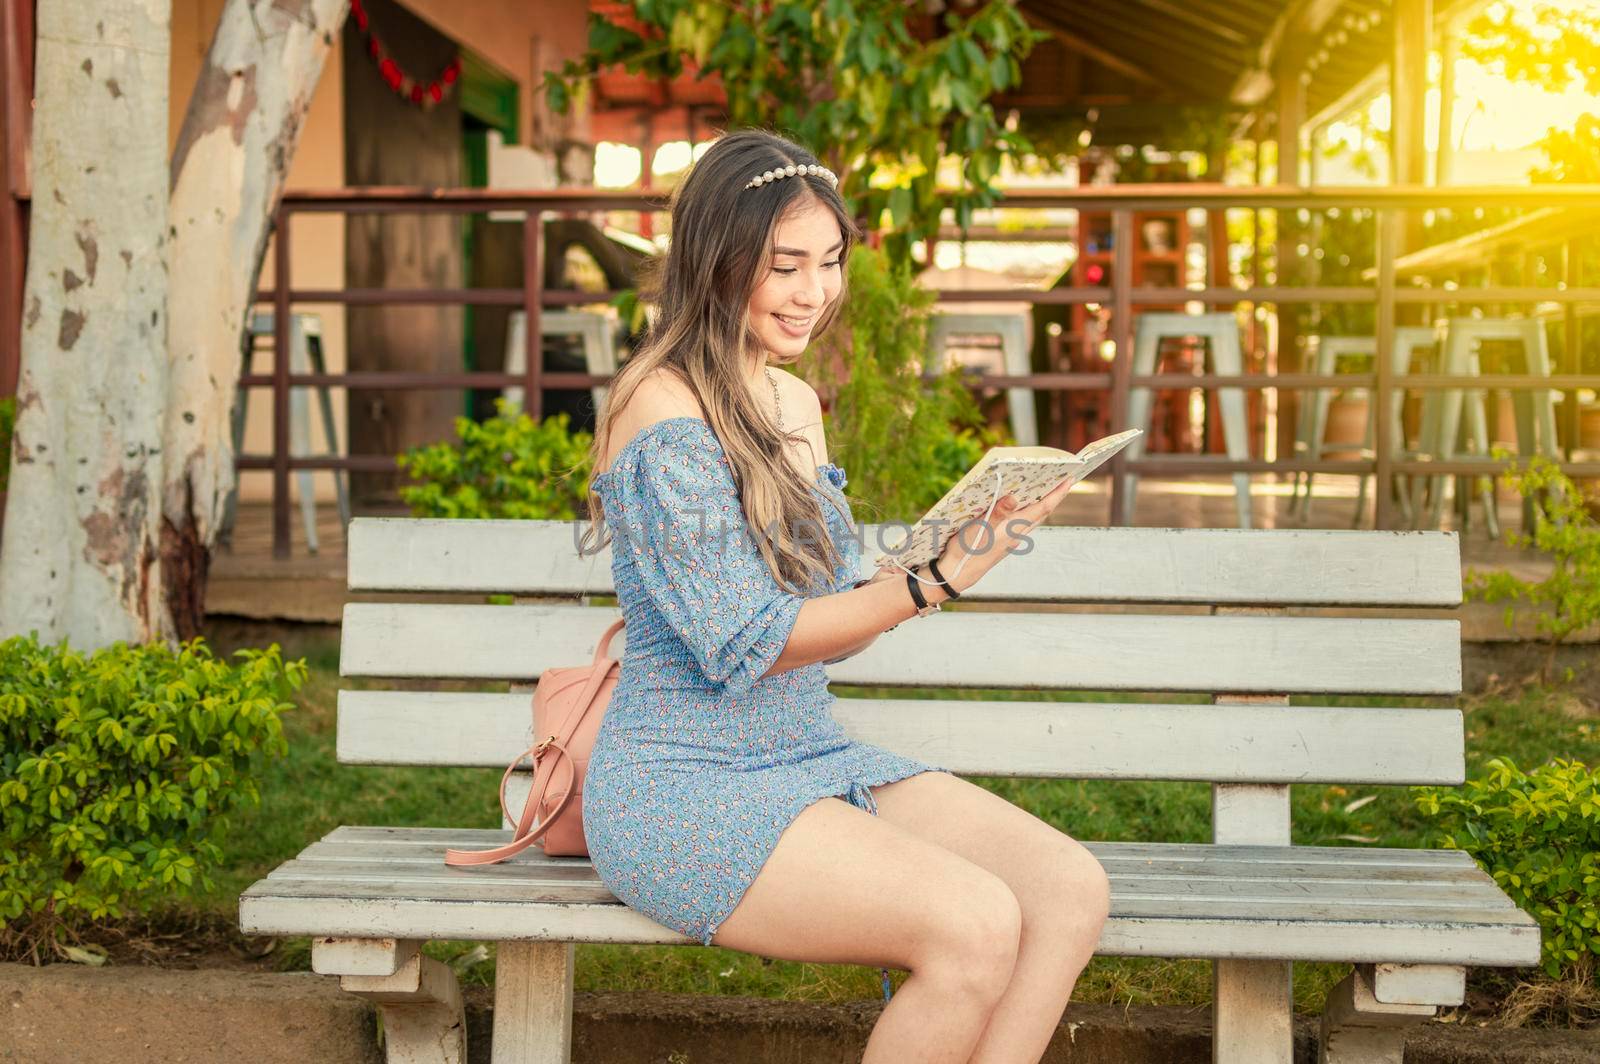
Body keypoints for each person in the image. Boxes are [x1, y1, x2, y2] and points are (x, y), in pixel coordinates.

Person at [576, 128, 1109, 1064]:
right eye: (785, 267)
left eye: (829, 263)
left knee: (1067, 888)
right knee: (975, 925)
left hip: (807, 753)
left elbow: (828, 627)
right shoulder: (658, 405)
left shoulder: (794, 405)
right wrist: (932, 580)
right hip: (683, 786)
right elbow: (751, 641)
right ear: (716, 260)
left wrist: (951, 546)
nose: (813, 293)